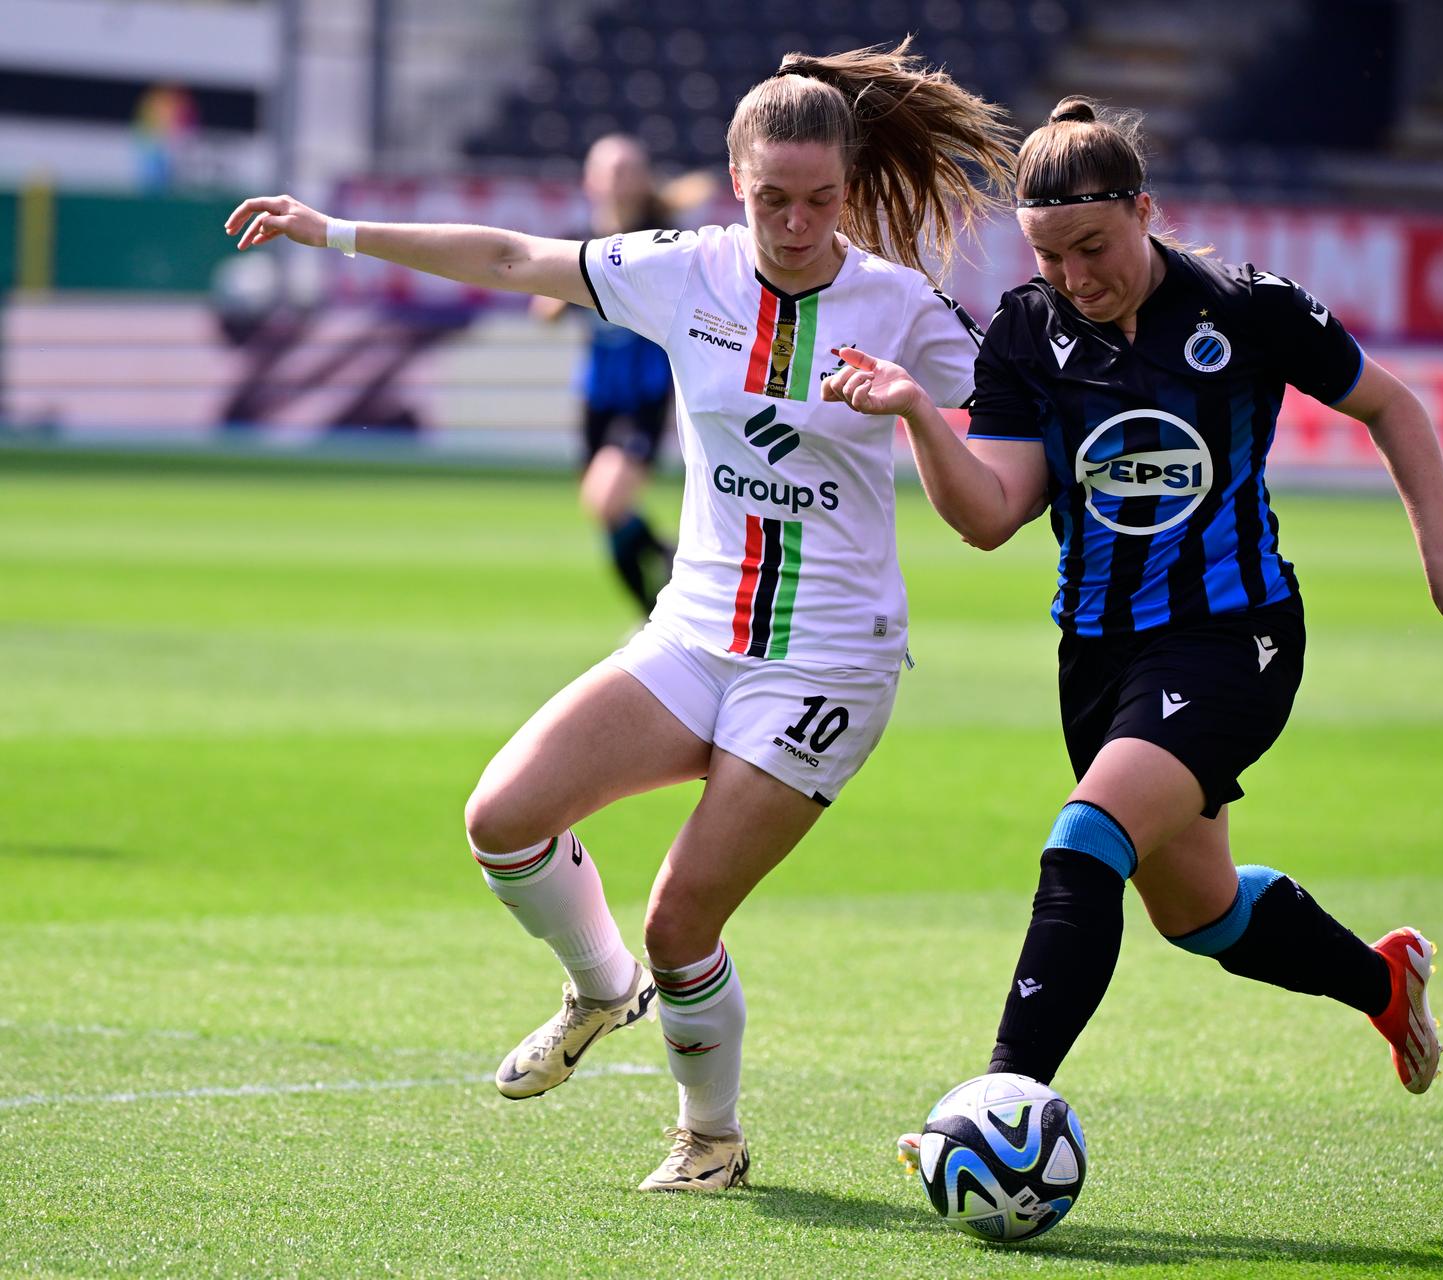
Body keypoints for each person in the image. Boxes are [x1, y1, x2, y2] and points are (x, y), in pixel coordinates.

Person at [225, 40, 1014, 1190]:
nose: (796, 224)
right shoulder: (681, 267)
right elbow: (508, 254)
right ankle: (601, 989)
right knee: (502, 818)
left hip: (828, 665)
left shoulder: (899, 307)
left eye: (821, 201)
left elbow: (1021, 406)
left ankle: (711, 1138)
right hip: (693, 633)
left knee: (681, 918)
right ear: (733, 183)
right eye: (772, 199)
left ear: (849, 190)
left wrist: (924, 414)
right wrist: (332, 229)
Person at [821, 99, 1443, 1163]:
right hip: (1098, 655)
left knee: (1084, 836)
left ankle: (994, 1108)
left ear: (1146, 211)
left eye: (1094, 247)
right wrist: (920, 414)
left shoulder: (1246, 306)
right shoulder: (1024, 330)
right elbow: (990, 515)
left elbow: (1395, 408)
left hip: (1235, 636)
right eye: (1050, 254)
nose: (1075, 275)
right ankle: (1385, 980)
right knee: (1200, 914)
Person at [529, 134, 706, 616]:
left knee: (607, 500)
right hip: (596, 394)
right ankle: (657, 607)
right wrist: (560, 287)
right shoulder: (578, 242)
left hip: (644, 392)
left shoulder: (659, 240)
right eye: (609, 169)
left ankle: (673, 583)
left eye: (628, 168)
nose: (617, 179)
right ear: (590, 180)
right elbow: (542, 311)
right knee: (604, 511)